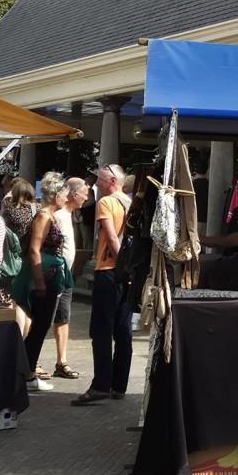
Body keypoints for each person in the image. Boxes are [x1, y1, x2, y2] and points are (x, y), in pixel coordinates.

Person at [73, 164, 132, 406]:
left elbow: (109, 235)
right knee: (123, 331)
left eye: (100, 180)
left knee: (101, 330)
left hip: (109, 270)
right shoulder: (129, 203)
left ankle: (101, 386)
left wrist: (120, 264)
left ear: (112, 182)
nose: (96, 183)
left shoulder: (106, 203)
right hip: (126, 276)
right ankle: (119, 385)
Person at [16, 172, 74, 393]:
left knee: (41, 326)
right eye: (64, 195)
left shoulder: (50, 215)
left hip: (50, 276)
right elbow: (34, 249)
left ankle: (27, 370)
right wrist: (40, 282)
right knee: (40, 326)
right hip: (45, 278)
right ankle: (28, 373)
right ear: (56, 194)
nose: (66, 199)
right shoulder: (44, 216)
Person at [49, 176, 88, 380]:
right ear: (74, 195)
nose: (87, 197)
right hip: (55, 275)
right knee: (45, 318)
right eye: (84, 193)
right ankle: (32, 362)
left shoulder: (68, 215)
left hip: (66, 277)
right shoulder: (58, 216)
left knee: (63, 317)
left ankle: (61, 361)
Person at [1, 178, 37, 248]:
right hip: (29, 247)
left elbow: (3, 222)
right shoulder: (37, 208)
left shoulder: (9, 208)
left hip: (13, 248)